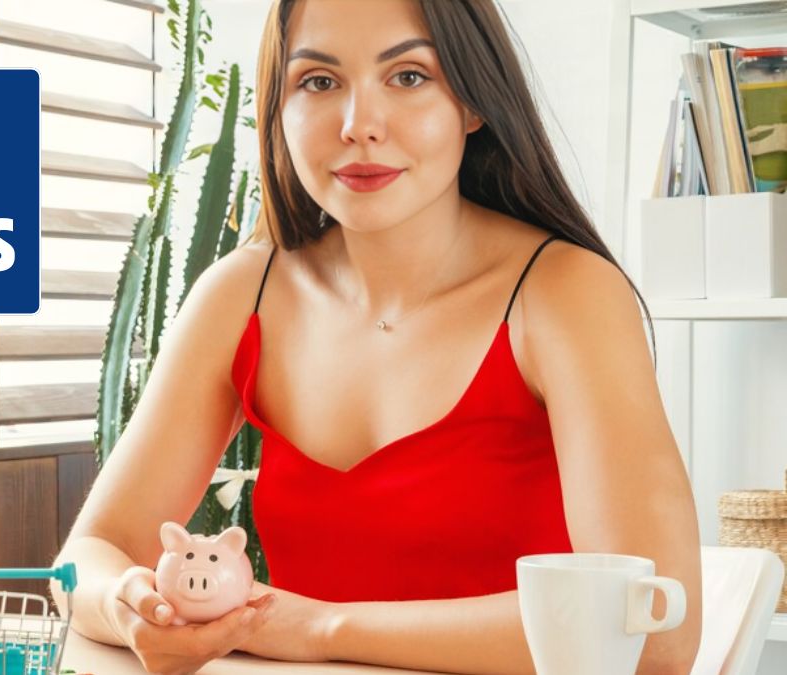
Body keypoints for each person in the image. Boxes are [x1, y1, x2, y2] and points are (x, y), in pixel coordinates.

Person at [51, 1, 703, 673]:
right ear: (279, 107)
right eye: (319, 82)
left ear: (473, 101)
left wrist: (324, 628)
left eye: (409, 76)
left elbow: (652, 635)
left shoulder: (566, 293)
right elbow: (90, 554)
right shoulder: (239, 292)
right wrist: (136, 606)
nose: (359, 126)